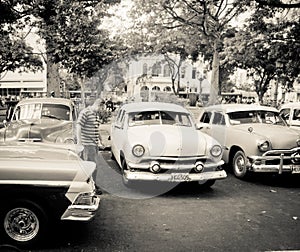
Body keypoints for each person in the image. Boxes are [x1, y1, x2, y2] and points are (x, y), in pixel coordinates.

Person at [76, 98, 104, 193]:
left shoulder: (95, 114)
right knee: (91, 166)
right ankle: (91, 187)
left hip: (94, 144)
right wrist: (79, 141)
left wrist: (100, 140)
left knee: (93, 166)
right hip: (87, 144)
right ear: (97, 104)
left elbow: (96, 128)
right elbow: (78, 126)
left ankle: (91, 185)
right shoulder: (85, 113)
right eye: (101, 107)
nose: (101, 110)